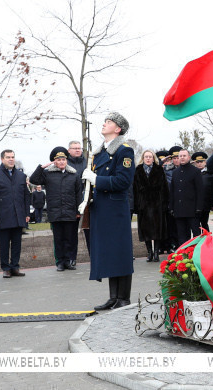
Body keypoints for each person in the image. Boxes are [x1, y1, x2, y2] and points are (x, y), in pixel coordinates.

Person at [81, 112, 135, 310]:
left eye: (109, 122)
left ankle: (124, 298)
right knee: (109, 252)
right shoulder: (98, 152)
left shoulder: (124, 151)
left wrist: (96, 180)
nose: (104, 124)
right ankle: (113, 297)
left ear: (118, 129)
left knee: (120, 252)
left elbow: (123, 181)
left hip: (115, 209)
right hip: (100, 209)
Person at [29, 147, 82, 272]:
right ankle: (60, 262)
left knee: (70, 238)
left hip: (70, 213)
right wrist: (42, 167)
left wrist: (78, 211)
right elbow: (33, 180)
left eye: (64, 159)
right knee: (58, 239)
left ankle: (69, 261)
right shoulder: (48, 174)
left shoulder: (73, 175)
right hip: (55, 212)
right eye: (59, 160)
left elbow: (78, 194)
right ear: (54, 162)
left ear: (67, 161)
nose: (62, 162)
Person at [0, 149, 31, 278]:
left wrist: (27, 213)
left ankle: (15, 267)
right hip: (2, 216)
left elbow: (26, 196)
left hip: (18, 215)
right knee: (4, 244)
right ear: (2, 159)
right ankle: (5, 268)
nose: (11, 159)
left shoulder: (21, 176)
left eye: (12, 157)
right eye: (8, 157)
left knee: (17, 244)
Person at [132, 149, 169, 262]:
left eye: (150, 156)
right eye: (146, 156)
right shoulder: (137, 170)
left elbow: (164, 188)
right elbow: (135, 189)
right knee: (145, 230)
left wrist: (164, 204)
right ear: (143, 158)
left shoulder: (159, 170)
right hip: (143, 204)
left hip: (157, 204)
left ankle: (157, 252)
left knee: (157, 230)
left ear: (154, 158)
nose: (148, 158)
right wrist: (137, 205)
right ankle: (149, 252)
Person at [169, 149, 204, 244]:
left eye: (184, 156)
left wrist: (199, 208)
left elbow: (200, 191)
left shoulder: (195, 171)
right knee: (182, 235)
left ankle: (197, 255)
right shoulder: (175, 172)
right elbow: (172, 190)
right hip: (179, 209)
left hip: (192, 209)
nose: (182, 158)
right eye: (180, 156)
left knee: (196, 234)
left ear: (189, 157)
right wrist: (171, 207)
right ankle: (184, 255)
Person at [67, 140, 87, 264]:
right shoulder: (65, 163)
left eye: (79, 148)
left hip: (86, 200)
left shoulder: (87, 163)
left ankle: (94, 257)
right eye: (75, 148)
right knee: (71, 234)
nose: (78, 150)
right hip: (71, 201)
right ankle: (71, 258)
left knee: (90, 231)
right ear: (69, 150)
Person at [193, 151, 213, 232]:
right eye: (197, 162)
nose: (199, 164)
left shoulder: (210, 175)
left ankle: (207, 241)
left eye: (201, 161)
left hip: (205, 205)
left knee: (204, 224)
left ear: (205, 162)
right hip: (194, 205)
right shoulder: (192, 174)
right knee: (195, 226)